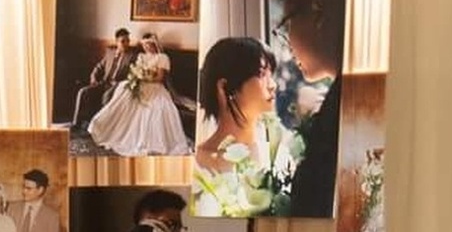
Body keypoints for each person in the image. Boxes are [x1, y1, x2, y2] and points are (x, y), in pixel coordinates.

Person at [194, 35, 302, 217]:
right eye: (261, 74)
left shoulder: (280, 157)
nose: (273, 85)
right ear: (224, 87)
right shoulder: (197, 164)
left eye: (271, 75)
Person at [270, 0, 345, 216]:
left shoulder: (345, 104)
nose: (288, 44)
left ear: (318, 10)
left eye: (287, 26)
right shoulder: (340, 95)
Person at [88, 29, 192, 157]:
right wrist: (137, 77)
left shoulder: (162, 58)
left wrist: (144, 77)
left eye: (150, 44)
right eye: (145, 45)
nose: (147, 47)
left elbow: (160, 78)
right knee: (123, 92)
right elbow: (136, 71)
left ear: (155, 45)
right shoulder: (141, 56)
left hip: (155, 87)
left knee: (157, 108)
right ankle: (102, 125)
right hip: (141, 84)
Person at [72, 29, 136, 140]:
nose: (126, 44)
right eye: (123, 41)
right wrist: (93, 78)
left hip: (117, 86)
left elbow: (132, 74)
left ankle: (100, 130)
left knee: (106, 97)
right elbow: (99, 67)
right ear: (117, 42)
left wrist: (120, 83)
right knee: (83, 92)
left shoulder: (132, 56)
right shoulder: (110, 52)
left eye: (127, 41)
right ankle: (76, 124)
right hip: (104, 82)